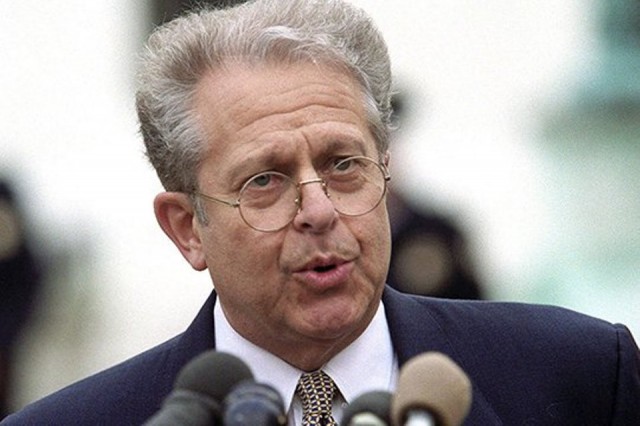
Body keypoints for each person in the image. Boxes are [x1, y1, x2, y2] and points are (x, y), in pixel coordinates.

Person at [3, 0, 639, 424]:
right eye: (265, 180)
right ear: (187, 228)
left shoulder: (578, 374)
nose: (319, 210)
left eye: (343, 164)